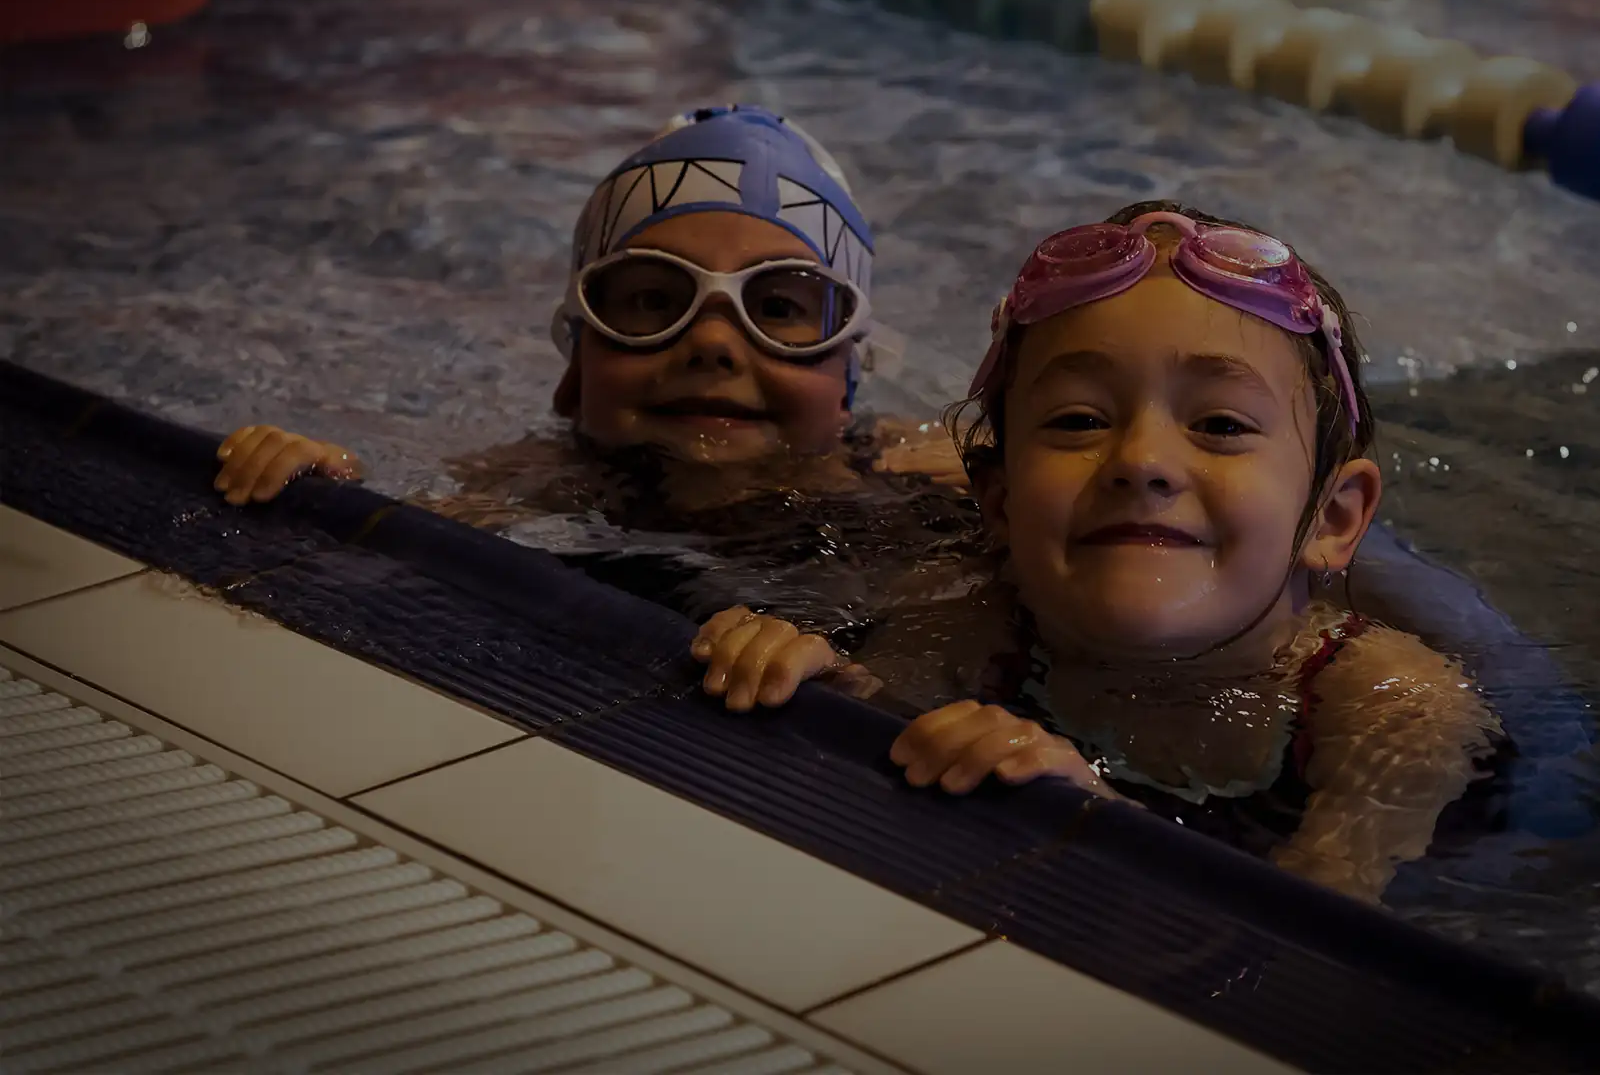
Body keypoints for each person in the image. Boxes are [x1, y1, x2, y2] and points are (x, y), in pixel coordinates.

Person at [690, 201, 1504, 905]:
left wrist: (1098, 823)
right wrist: (824, 692)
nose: (1141, 461)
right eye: (1079, 421)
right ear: (1000, 503)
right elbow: (877, 767)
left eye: (1220, 424)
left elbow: (1313, 953)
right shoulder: (970, 619)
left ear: (1332, 517)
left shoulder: (1389, 708)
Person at [213, 104, 967, 523]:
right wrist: (321, 492)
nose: (712, 342)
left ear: (847, 380)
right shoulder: (540, 481)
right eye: (653, 300)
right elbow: (397, 542)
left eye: (777, 306)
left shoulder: (918, 480)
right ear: (575, 371)